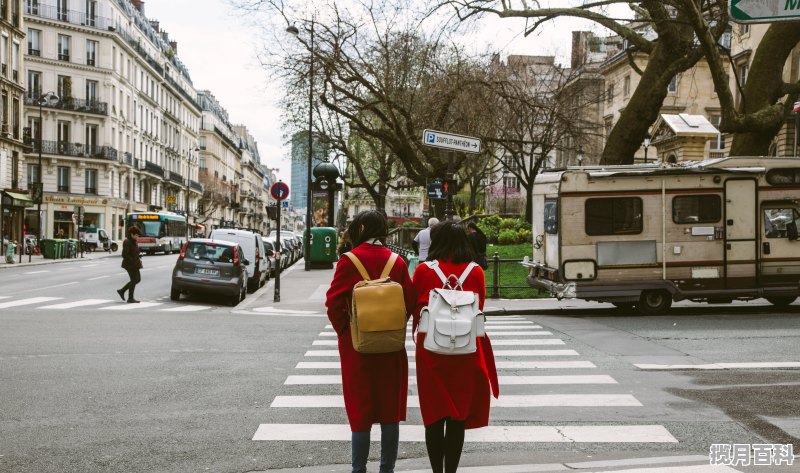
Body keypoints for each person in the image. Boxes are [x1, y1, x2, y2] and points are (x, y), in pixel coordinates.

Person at [325, 210, 416, 473]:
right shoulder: (397, 262)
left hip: (357, 347)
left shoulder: (349, 261)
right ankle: (387, 468)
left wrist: (347, 331)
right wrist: (391, 326)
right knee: (390, 411)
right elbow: (409, 301)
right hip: (390, 346)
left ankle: (359, 469)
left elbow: (333, 303)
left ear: (362, 227)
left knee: (360, 411)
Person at [411, 221, 499, 473]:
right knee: (457, 415)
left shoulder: (424, 270)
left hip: (430, 351)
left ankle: (436, 471)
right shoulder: (476, 272)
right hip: (465, 350)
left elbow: (414, 309)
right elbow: (479, 306)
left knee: (434, 414)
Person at [117, 226, 143, 303]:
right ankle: (130, 298)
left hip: (135, 264)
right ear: (132, 234)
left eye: (138, 235)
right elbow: (124, 255)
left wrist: (138, 255)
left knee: (137, 279)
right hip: (130, 265)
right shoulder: (127, 242)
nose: (137, 237)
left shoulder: (134, 241)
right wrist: (132, 261)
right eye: (136, 235)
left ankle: (122, 291)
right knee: (134, 280)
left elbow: (134, 252)